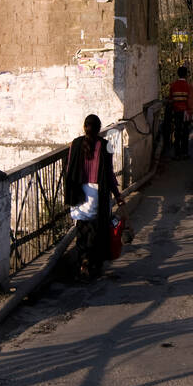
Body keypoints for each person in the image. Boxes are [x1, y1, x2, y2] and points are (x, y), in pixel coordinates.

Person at [64, 114, 122, 279]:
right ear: (99, 129)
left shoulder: (75, 144)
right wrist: (117, 195)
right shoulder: (106, 145)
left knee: (81, 229)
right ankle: (91, 263)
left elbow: (69, 169)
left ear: (84, 128)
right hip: (97, 193)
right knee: (96, 230)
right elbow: (109, 174)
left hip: (79, 192)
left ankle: (82, 262)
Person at [168, 65, 193, 158]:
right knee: (185, 132)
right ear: (186, 75)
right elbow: (190, 101)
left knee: (177, 131)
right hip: (186, 112)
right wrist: (191, 111)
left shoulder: (173, 85)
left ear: (178, 74)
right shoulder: (188, 86)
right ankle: (184, 152)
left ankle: (177, 153)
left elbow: (170, 99)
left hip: (176, 111)